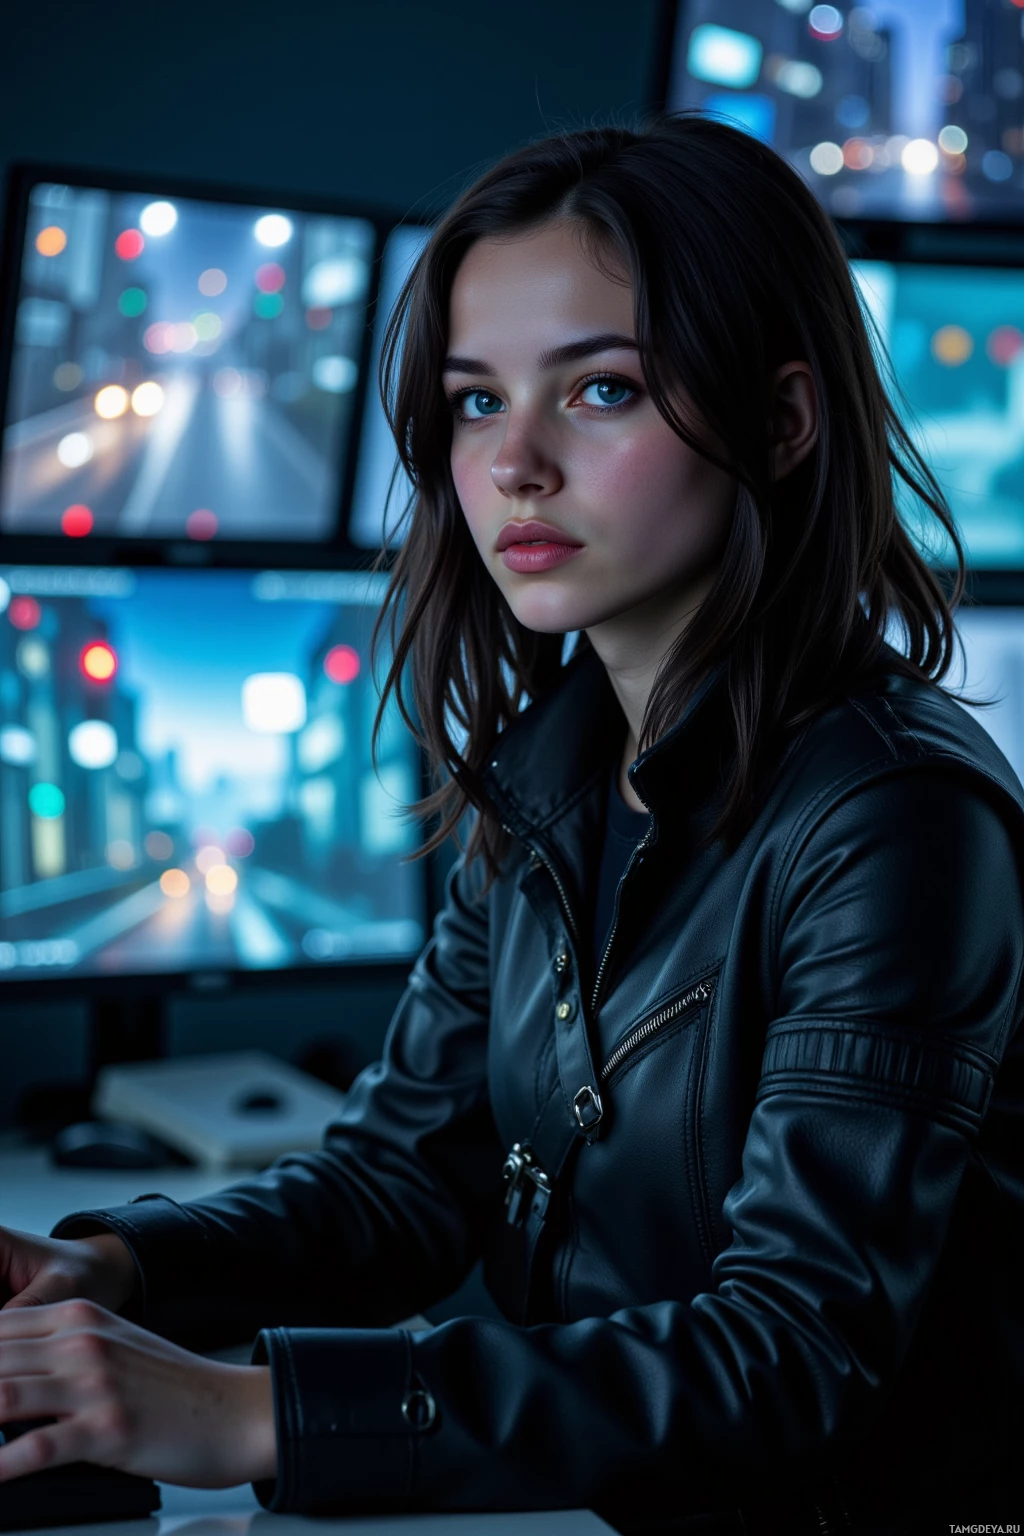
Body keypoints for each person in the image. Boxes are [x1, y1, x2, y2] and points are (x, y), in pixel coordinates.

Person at [1, 110, 1022, 1536]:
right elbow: (404, 1183)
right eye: (477, 401)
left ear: (782, 420)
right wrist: (112, 1269)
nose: (515, 465)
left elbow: (794, 1352)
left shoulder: (895, 818)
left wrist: (250, 1413)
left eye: (599, 392)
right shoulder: (548, 776)